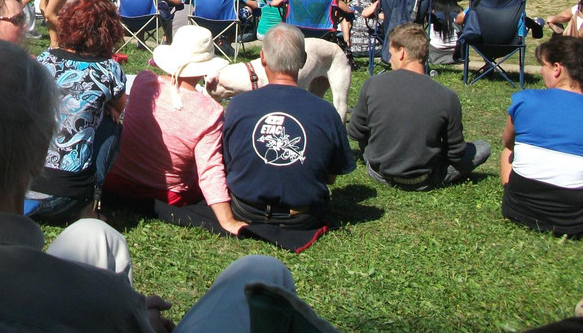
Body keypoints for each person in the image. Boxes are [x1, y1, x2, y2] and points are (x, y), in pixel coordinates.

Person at [0, 34, 336, 333]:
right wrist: (135, 319)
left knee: (94, 235)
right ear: (41, 151)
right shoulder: (95, 299)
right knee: (260, 271)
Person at [103, 25, 244, 237]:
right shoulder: (211, 112)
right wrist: (227, 220)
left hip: (117, 182)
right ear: (206, 67)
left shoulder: (143, 81)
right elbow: (209, 170)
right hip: (168, 193)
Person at [222, 23, 354, 239]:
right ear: (303, 60)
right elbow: (330, 178)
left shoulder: (237, 105)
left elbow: (229, 162)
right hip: (303, 217)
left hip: (245, 210)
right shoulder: (327, 112)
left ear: (263, 58)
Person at [348, 23, 490, 190]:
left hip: (380, 172)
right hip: (424, 178)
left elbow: (355, 132)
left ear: (401, 53)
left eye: (390, 53)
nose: (389, 58)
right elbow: (456, 154)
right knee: (483, 147)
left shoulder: (373, 84)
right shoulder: (446, 96)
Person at [27, 0, 126, 223]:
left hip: (21, 191)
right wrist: (106, 103)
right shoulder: (109, 69)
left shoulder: (45, 59)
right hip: (66, 199)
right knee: (112, 124)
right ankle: (90, 206)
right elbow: (121, 107)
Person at [500, 35, 583, 237]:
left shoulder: (525, 100)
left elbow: (507, 142)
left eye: (542, 65)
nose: (540, 70)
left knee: (508, 151)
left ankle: (509, 192)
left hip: (518, 210)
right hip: (573, 220)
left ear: (557, 69)